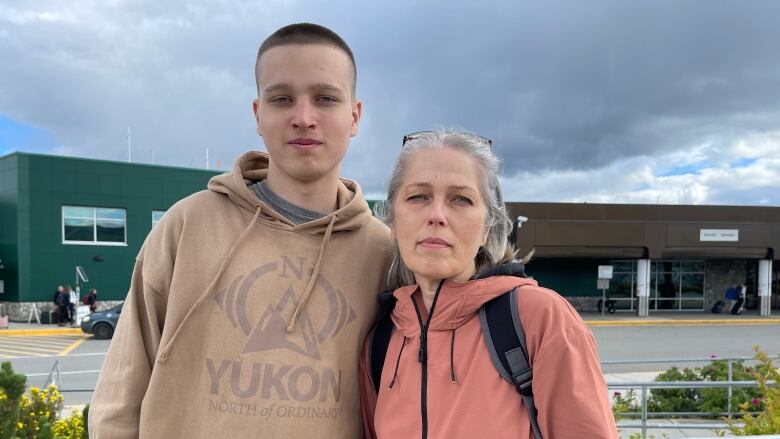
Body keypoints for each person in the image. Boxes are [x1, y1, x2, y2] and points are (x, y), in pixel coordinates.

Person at [89, 23, 393, 438]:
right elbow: (119, 393)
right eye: (282, 98)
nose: (303, 118)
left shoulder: (384, 253)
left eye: (325, 98)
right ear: (258, 114)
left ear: (354, 115)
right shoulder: (186, 225)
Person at [359, 130, 618, 438]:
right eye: (418, 196)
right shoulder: (381, 340)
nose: (436, 215)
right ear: (393, 223)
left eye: (461, 199)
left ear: (486, 229)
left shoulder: (539, 319)